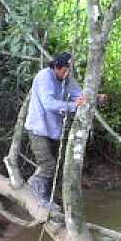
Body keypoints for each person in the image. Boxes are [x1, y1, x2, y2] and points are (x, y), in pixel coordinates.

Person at [24, 52, 86, 205]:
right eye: (65, 70)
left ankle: (48, 196)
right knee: (48, 165)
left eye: (69, 70)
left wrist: (95, 97)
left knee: (56, 167)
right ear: (56, 67)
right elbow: (49, 103)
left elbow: (80, 95)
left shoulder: (66, 79)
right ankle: (33, 192)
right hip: (38, 129)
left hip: (53, 130)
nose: (68, 73)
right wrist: (72, 106)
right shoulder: (45, 76)